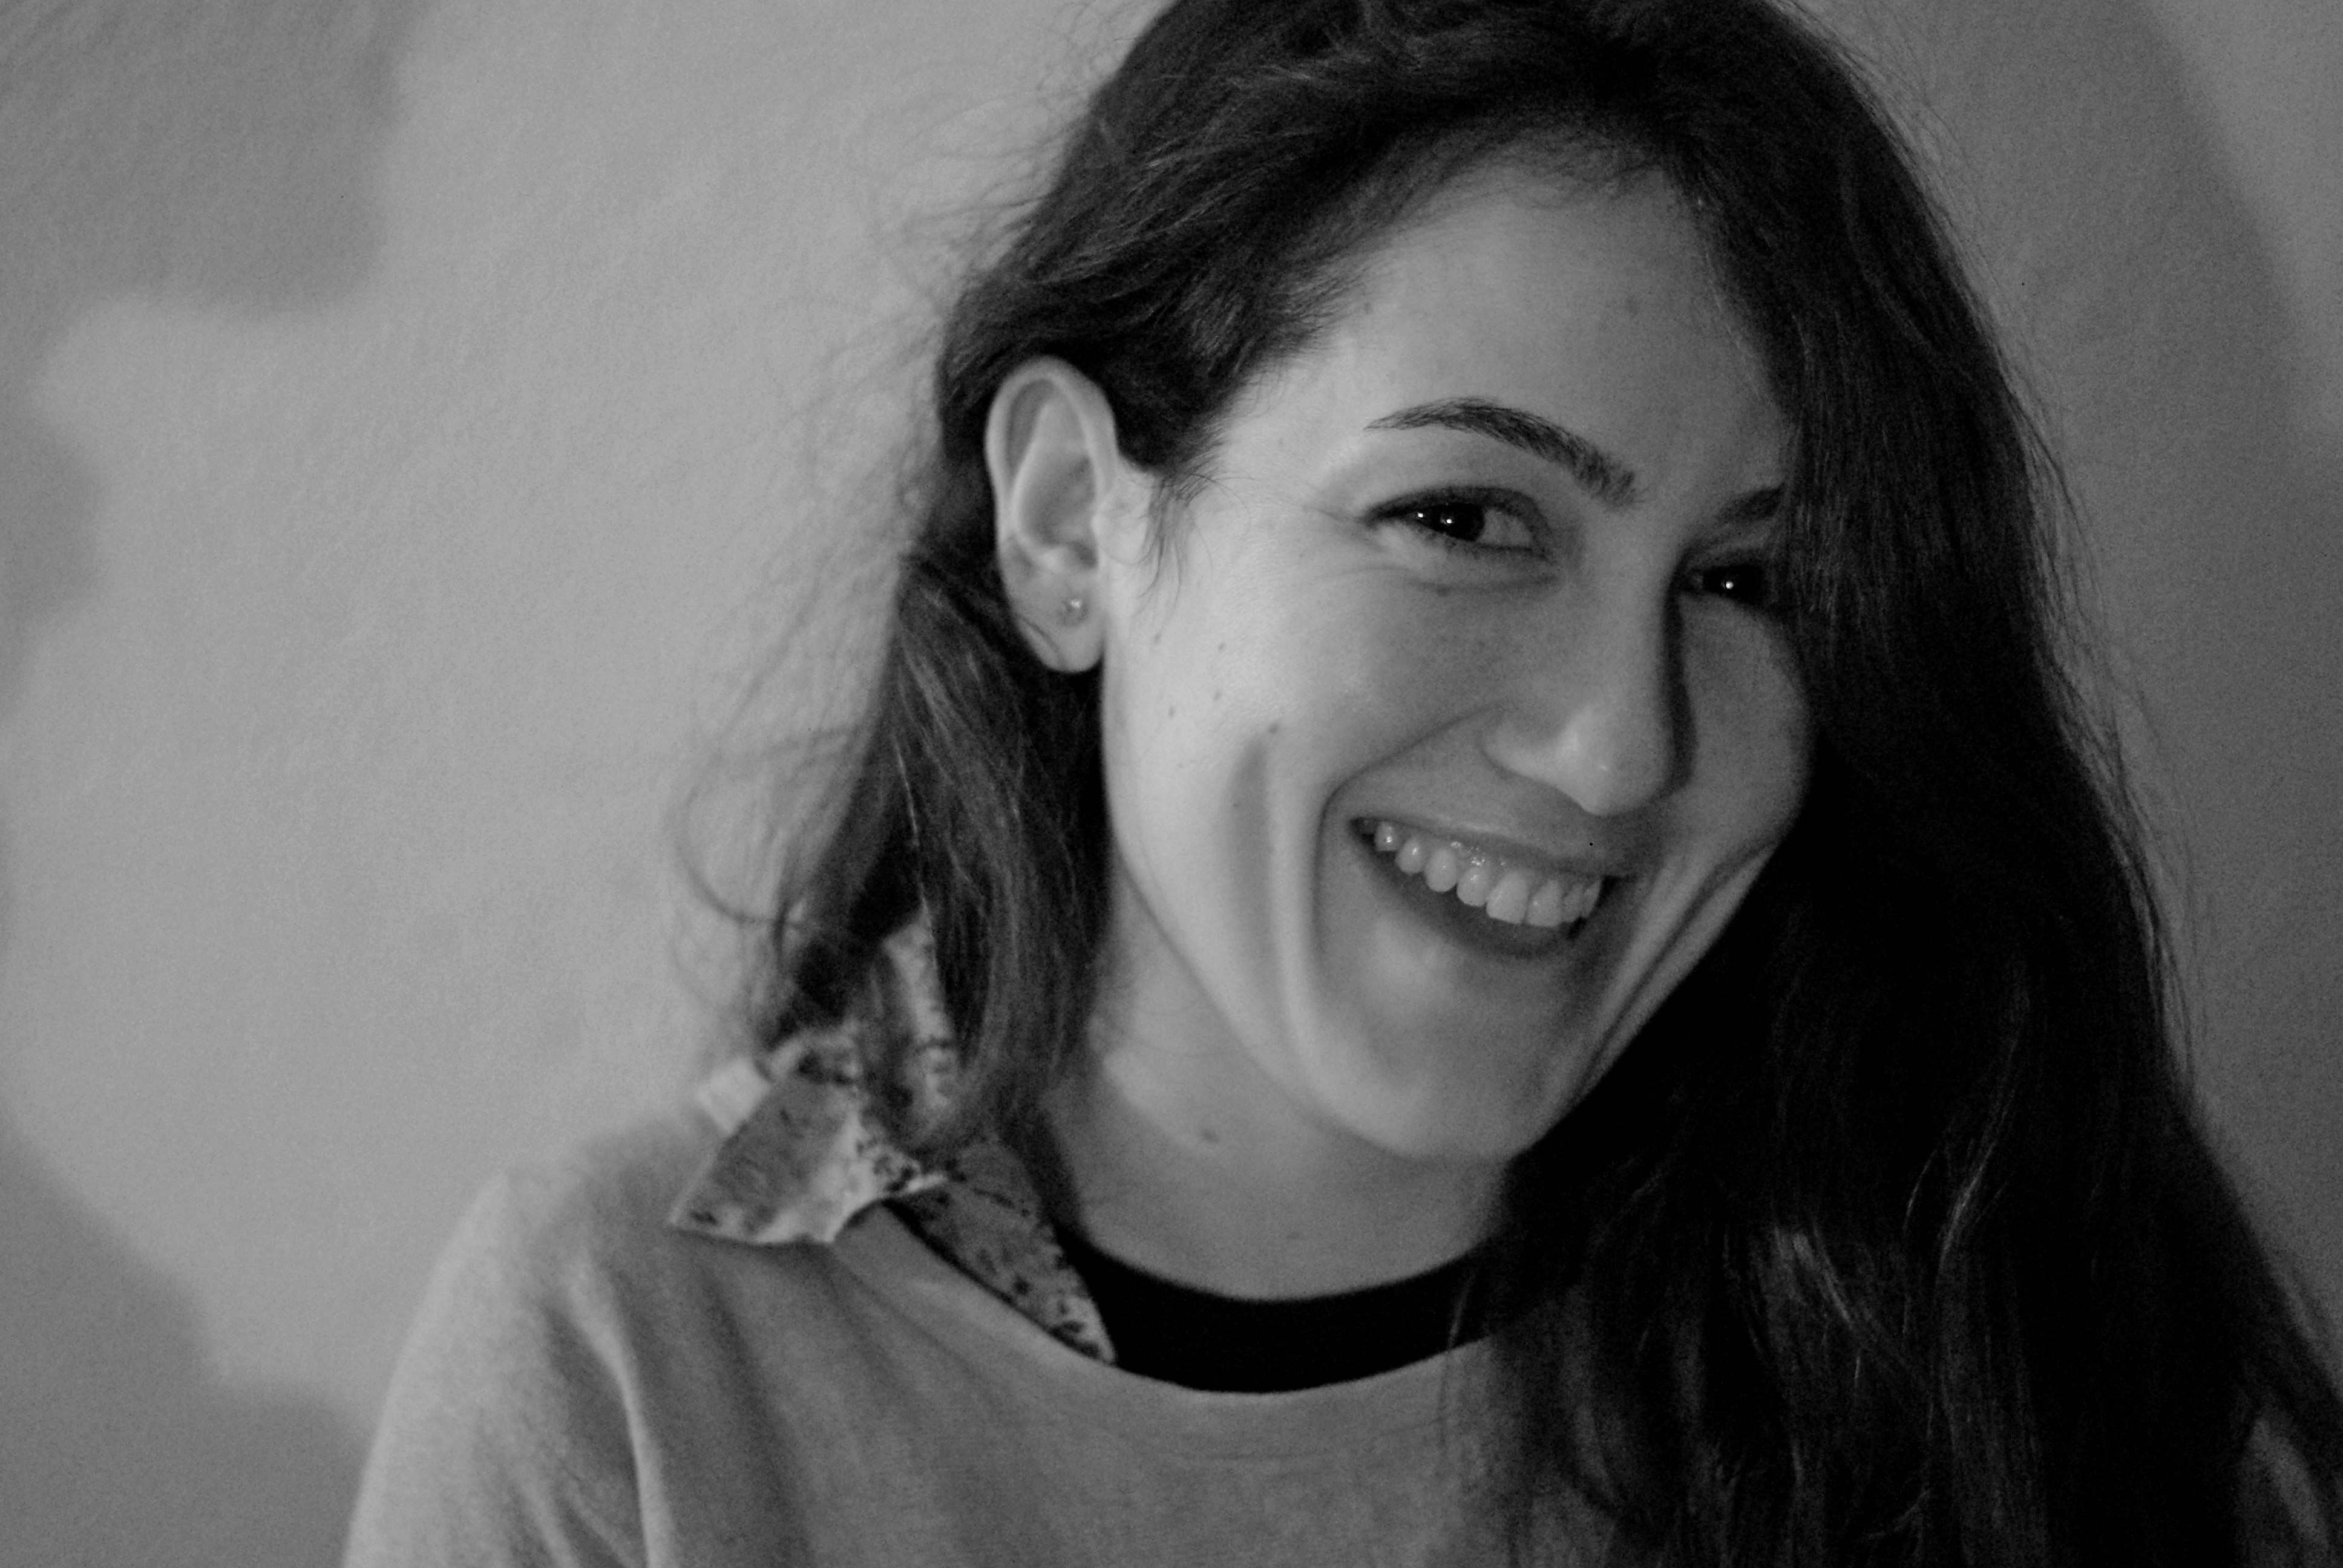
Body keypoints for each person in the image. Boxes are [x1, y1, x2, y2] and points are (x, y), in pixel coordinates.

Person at [344, 0, 2343, 1563]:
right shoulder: (629, 1368)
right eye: (1465, 517)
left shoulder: (2029, 1331)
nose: (1623, 746)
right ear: (1072, 525)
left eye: (1749, 581)